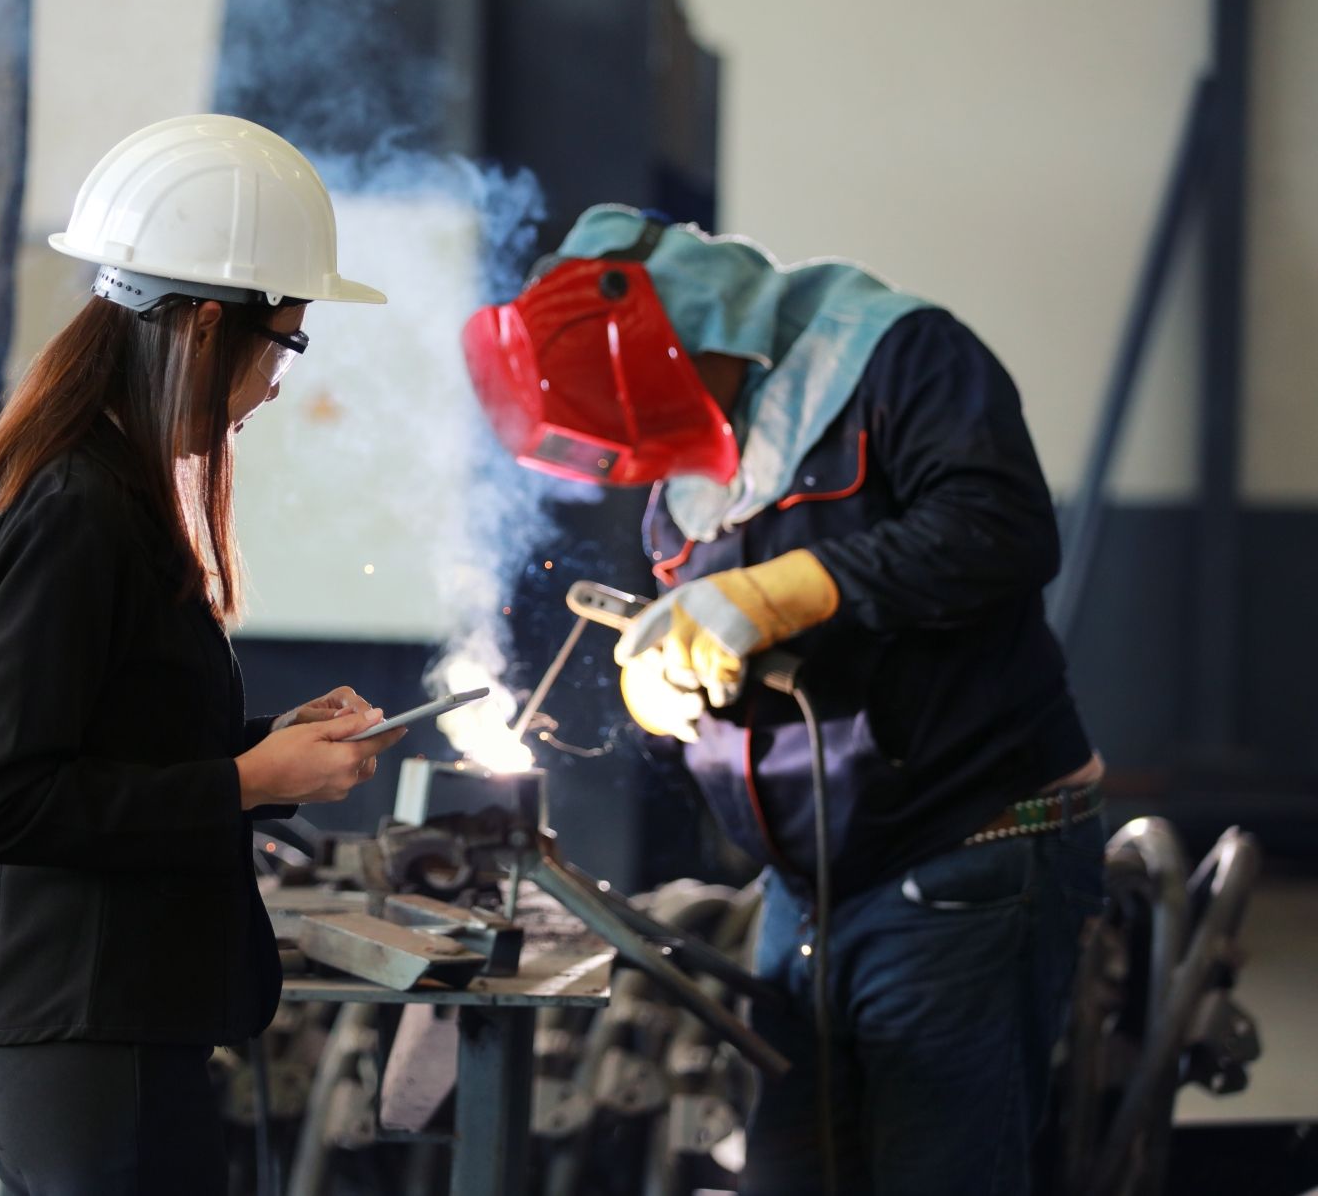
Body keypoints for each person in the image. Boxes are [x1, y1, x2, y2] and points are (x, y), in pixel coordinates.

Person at [462, 205, 1107, 1194]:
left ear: (697, 333)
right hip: (804, 888)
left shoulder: (899, 357)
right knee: (790, 1175)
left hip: (960, 853)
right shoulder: (696, 461)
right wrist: (662, 675)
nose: (672, 450)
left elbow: (999, 530)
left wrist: (780, 591)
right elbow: (712, 624)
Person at [0, 114, 409, 1196]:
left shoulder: (106, 492)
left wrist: (263, 748)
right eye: (284, 340)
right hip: (84, 1037)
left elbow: (107, 741)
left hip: (114, 1034)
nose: (280, 381)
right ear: (204, 325)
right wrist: (247, 780)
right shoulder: (80, 507)